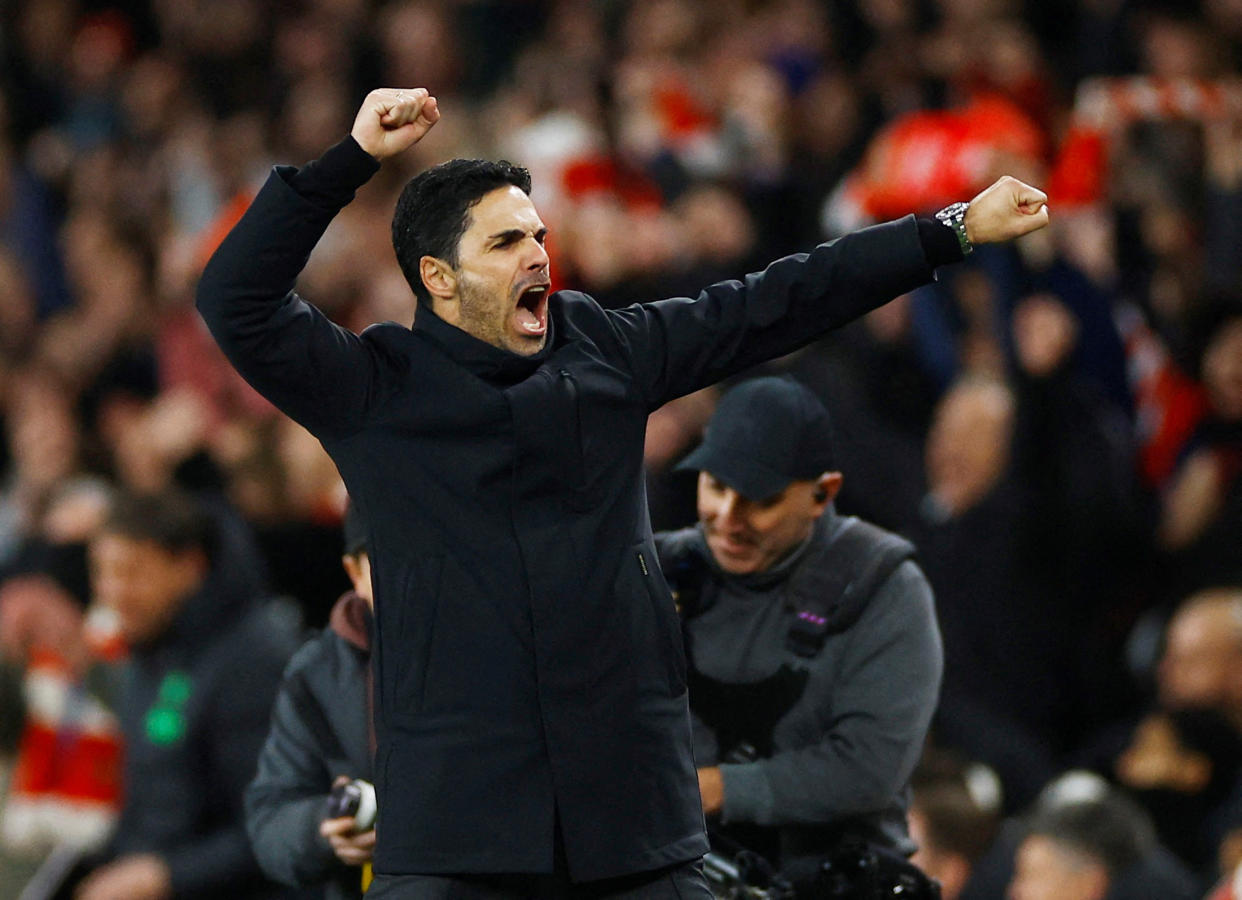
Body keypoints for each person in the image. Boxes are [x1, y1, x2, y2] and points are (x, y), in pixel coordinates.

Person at [195, 86, 1049, 897]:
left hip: (633, 820)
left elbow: (780, 301)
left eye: (537, 234)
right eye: (504, 243)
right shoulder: (370, 387)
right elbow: (234, 298)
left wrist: (949, 229)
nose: (537, 253)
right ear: (439, 278)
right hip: (458, 831)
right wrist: (347, 161)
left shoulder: (602, 347)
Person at [652, 376, 942, 895]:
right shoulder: (660, 569)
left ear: (820, 493)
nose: (727, 519)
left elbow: (867, 767)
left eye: (758, 501)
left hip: (826, 879)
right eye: (716, 487)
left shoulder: (884, 590)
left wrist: (714, 789)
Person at [71, 488, 297, 900]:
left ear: (189, 568)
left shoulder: (253, 662)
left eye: (131, 572)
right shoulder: (149, 648)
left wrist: (165, 876)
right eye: (101, 571)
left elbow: (278, 823)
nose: (111, 591)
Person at [246, 503, 377, 899]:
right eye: (387, 563)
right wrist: (325, 826)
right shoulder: (315, 674)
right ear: (354, 572)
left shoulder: (496, 651)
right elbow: (269, 821)